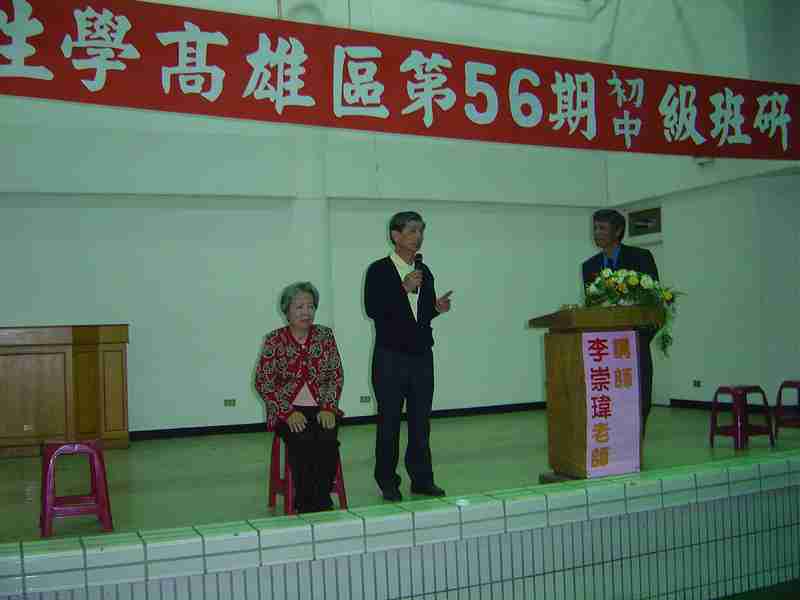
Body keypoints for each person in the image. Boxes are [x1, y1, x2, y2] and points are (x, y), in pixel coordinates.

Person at [365, 211, 453, 502]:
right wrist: (402, 288)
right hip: (390, 357)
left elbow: (421, 314)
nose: (418, 236)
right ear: (396, 235)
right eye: (413, 230)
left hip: (421, 357)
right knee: (389, 422)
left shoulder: (424, 271)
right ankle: (388, 481)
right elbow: (373, 308)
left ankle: (422, 479)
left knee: (420, 422)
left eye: (421, 231)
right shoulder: (379, 270)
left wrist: (436, 308)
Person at [254, 282, 344, 513]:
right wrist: (287, 413)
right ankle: (307, 504)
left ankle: (320, 500)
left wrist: (328, 407)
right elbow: (263, 382)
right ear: (287, 310)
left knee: (326, 440)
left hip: (321, 408)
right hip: (288, 411)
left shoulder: (325, 336)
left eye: (310, 306)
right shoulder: (274, 340)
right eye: (299, 307)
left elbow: (335, 374)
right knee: (303, 441)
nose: (306, 312)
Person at [582, 209, 660, 436]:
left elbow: (654, 302)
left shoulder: (640, 257)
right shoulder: (589, 266)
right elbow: (593, 306)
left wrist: (642, 336)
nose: (597, 232)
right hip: (605, 349)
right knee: (610, 400)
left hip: (636, 341)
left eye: (602, 228)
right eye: (595, 228)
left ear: (618, 231)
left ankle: (636, 443)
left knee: (639, 399)